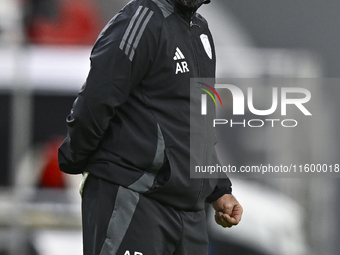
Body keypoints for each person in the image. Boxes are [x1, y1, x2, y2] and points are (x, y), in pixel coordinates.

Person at [58, 0, 243, 254]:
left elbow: (197, 125)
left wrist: (218, 189)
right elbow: (97, 100)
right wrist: (76, 159)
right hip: (136, 202)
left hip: (189, 217)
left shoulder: (201, 31)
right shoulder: (141, 19)